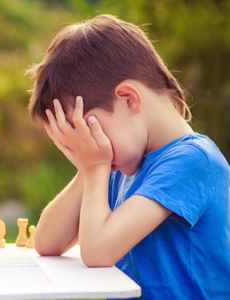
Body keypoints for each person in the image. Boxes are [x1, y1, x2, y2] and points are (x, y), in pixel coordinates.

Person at [26, 14, 230, 299]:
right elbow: (48, 243)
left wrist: (95, 165)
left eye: (91, 131)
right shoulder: (121, 167)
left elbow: (97, 252)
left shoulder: (193, 161)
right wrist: (87, 170)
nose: (91, 147)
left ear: (129, 99)